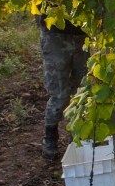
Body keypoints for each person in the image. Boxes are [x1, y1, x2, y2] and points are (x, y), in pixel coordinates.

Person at [37, 15, 88, 160]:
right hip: (54, 33)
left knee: (83, 91)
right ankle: (50, 136)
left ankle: (78, 136)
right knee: (60, 94)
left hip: (82, 33)